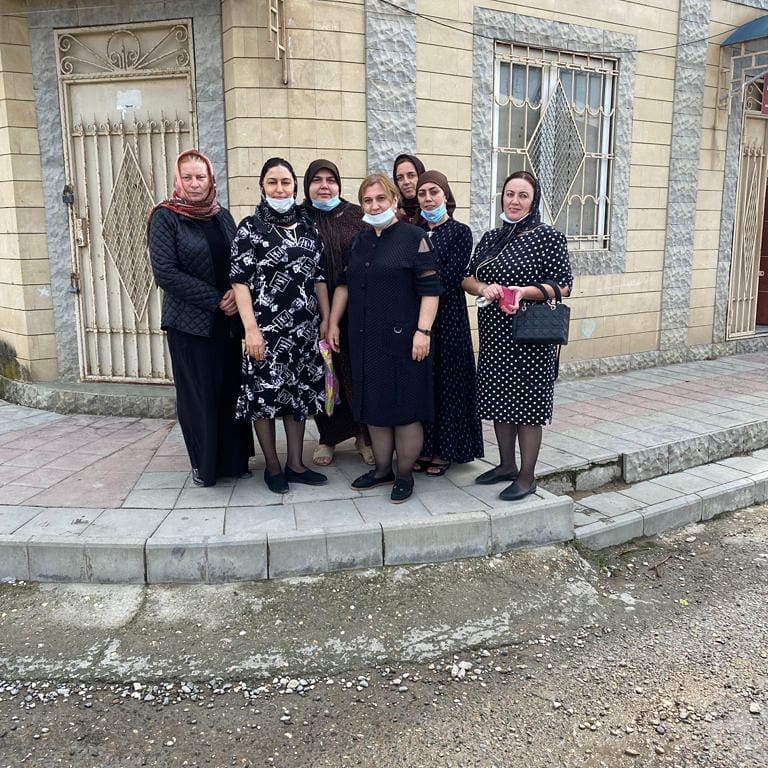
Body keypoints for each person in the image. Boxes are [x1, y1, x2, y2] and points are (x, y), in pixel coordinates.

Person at [327, 173, 442, 503]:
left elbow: (431, 290)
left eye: (380, 199)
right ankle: (382, 470)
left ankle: (404, 474)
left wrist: (423, 332)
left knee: (405, 410)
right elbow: (345, 285)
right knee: (375, 408)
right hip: (366, 341)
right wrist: (333, 323)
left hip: (406, 341)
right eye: (367, 200)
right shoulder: (360, 241)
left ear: (394, 200)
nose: (374, 205)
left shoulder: (415, 237)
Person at [461, 170, 573, 501]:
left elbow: (564, 285)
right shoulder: (491, 237)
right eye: (510, 194)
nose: (514, 201)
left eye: (523, 195)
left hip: (530, 337)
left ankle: (527, 476)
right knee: (499, 401)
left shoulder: (548, 237)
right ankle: (506, 465)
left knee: (527, 405)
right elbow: (467, 278)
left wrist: (524, 292)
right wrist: (484, 288)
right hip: (495, 334)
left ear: (533, 201)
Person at [148, 149, 254, 487]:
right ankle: (205, 465)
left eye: (201, 177)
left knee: (229, 391)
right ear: (178, 180)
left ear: (210, 179)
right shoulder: (165, 217)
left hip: (227, 323)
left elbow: (240, 260)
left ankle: (234, 461)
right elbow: (166, 273)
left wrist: (236, 294)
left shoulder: (222, 215)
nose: (195, 184)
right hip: (189, 325)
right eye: (188, 177)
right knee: (199, 396)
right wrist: (216, 300)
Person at [230, 157, 330, 494]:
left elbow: (319, 278)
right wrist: (250, 330)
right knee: (265, 398)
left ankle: (296, 465)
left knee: (298, 395)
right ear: (262, 186)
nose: (279, 189)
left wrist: (325, 320)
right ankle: (273, 466)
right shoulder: (250, 228)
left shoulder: (308, 227)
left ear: (294, 186)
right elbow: (240, 282)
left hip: (304, 331)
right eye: (272, 182)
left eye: (285, 182)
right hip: (266, 332)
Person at [301, 159, 373, 468]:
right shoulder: (298, 218)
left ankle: (364, 436)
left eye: (330, 180)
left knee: (357, 373)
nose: (324, 186)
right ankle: (328, 437)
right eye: (317, 180)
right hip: (310, 311)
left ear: (339, 185)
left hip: (356, 309)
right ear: (307, 185)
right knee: (324, 375)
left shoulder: (357, 216)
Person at [411, 170, 484, 475]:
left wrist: (421, 280)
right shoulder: (413, 232)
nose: (428, 198)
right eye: (422, 193)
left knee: (449, 385)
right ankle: (424, 448)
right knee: (425, 385)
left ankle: (446, 450)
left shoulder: (460, 232)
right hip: (418, 318)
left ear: (445, 195)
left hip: (449, 319)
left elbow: (451, 276)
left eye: (434, 192)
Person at [392, 153, 426, 223]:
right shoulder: (392, 214)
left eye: (411, 175)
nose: (406, 182)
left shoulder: (434, 211)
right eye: (400, 178)